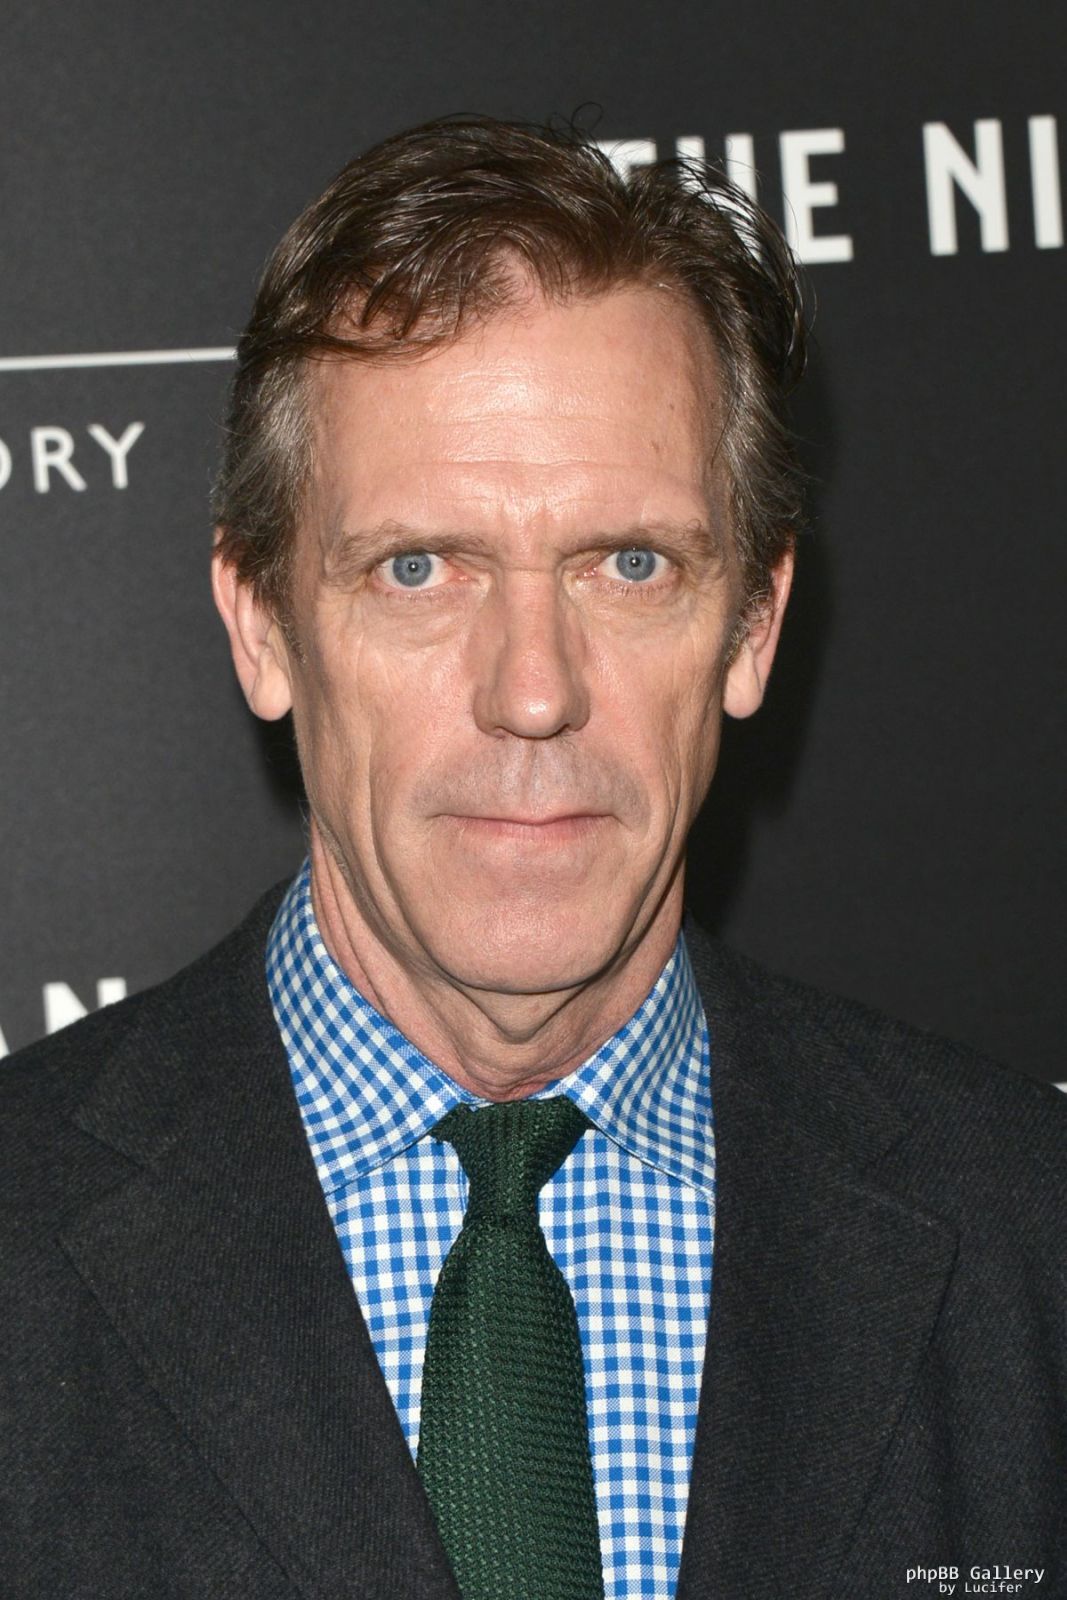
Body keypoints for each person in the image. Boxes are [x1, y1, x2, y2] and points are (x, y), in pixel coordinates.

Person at [3, 117, 1065, 1600]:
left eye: (630, 565)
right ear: (261, 626)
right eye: (418, 569)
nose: (534, 690)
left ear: (753, 627)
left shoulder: (1029, 1235)